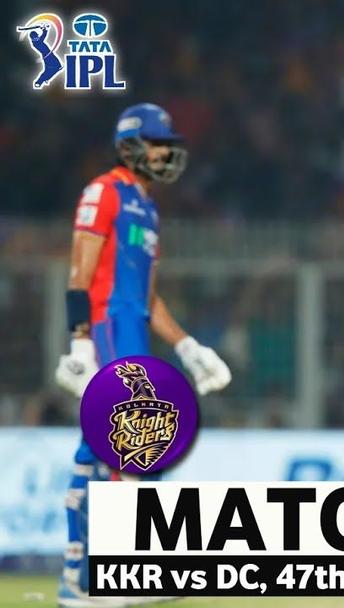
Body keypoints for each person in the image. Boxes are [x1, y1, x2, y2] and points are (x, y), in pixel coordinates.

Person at [54, 103, 232, 607]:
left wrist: (188, 347)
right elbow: (80, 272)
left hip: (133, 330)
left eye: (168, 145)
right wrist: (80, 341)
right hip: (107, 327)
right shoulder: (104, 191)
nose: (165, 154)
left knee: (99, 449)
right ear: (131, 145)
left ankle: (78, 580)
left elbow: (148, 298)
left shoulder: (149, 210)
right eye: (157, 144)